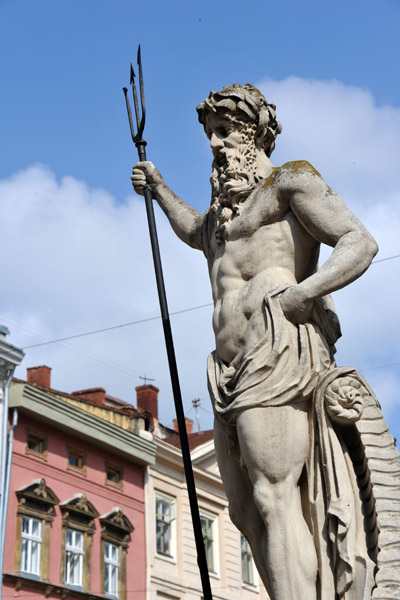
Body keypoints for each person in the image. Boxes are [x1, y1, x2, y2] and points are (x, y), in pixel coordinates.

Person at [131, 84, 378, 600]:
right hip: (225, 370)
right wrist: (158, 188)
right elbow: (192, 230)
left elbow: (360, 242)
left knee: (275, 496)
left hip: (277, 353)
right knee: (244, 511)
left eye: (225, 132)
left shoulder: (292, 182)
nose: (216, 146)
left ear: (254, 134)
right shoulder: (219, 219)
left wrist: (301, 294)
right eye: (210, 136)